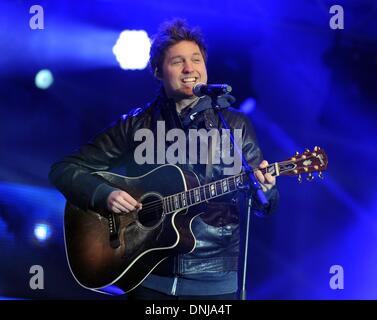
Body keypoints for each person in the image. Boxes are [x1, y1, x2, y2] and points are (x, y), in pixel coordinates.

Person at [49, 19, 279, 300]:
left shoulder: (234, 126)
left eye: (196, 60)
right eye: (177, 61)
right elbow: (64, 170)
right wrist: (103, 194)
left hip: (214, 281)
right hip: (147, 277)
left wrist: (266, 188)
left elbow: (266, 203)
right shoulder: (136, 124)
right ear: (158, 70)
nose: (189, 69)